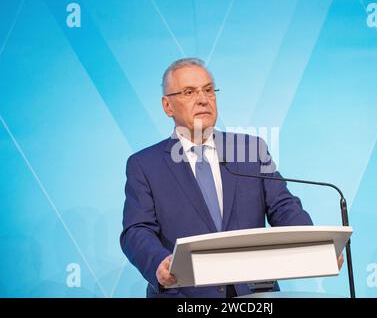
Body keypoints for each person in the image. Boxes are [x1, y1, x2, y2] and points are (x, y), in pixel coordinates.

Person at [120, 58, 343, 298]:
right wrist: (158, 262)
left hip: (253, 294)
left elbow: (283, 207)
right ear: (167, 106)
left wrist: (314, 246)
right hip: (184, 294)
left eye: (208, 90)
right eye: (189, 92)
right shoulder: (145, 164)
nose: (203, 99)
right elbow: (136, 229)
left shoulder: (250, 151)